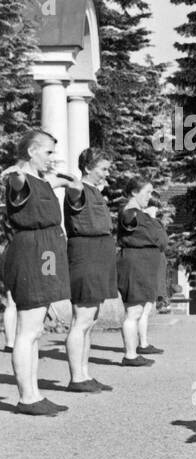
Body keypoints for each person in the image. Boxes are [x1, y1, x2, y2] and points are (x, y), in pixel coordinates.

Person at [2, 128, 74, 415]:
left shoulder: (41, 180)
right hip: (31, 251)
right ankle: (27, 397)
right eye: (47, 152)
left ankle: (33, 393)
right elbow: (17, 180)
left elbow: (68, 180)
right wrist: (14, 172)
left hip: (46, 251)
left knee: (37, 328)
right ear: (32, 151)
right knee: (27, 329)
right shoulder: (21, 179)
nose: (51, 158)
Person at [63, 147, 116, 392]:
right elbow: (74, 191)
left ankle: (84, 374)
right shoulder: (79, 189)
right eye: (103, 168)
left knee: (90, 319)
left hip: (98, 254)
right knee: (81, 319)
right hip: (86, 254)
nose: (107, 173)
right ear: (87, 168)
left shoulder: (94, 190)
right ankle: (76, 378)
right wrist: (71, 182)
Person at [117, 179, 168, 366]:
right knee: (133, 312)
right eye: (147, 192)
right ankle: (130, 355)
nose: (150, 196)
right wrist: (142, 214)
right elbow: (128, 220)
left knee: (139, 311)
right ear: (133, 193)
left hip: (145, 264)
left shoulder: (140, 213)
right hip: (136, 265)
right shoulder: (130, 212)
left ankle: (134, 351)